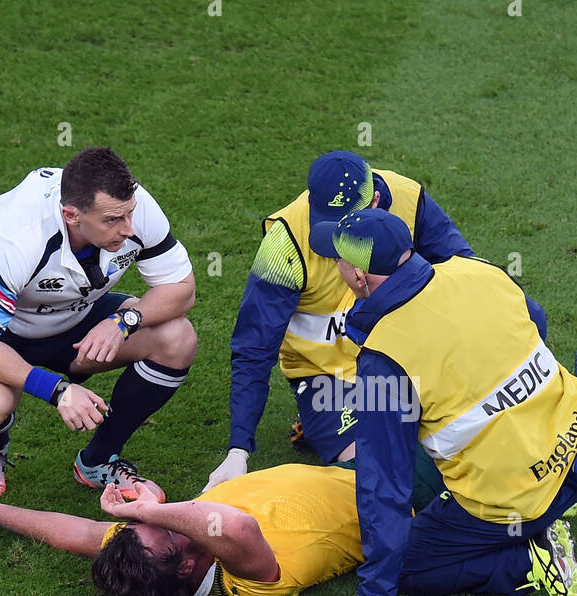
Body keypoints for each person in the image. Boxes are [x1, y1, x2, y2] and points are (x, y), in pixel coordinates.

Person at [308, 208, 577, 596]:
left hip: (519, 499)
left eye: (336, 257)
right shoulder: (475, 270)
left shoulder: (383, 358)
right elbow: (536, 321)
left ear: (357, 275)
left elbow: (383, 482)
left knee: (409, 563)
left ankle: (529, 559)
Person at [205, 150, 513, 490]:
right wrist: (239, 450)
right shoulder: (284, 244)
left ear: (376, 201)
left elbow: (465, 271)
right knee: (375, 471)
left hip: (411, 356)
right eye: (328, 223)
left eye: (347, 225)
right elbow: (254, 347)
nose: (337, 239)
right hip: (331, 382)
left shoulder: (409, 200)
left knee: (475, 424)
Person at [0, 146, 197, 501]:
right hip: (0, 334)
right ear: (71, 215)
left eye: (129, 214)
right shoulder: (13, 236)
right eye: (112, 221)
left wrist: (124, 321)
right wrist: (58, 390)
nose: (127, 228)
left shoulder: (132, 208)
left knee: (177, 337)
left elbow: (182, 289)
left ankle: (98, 460)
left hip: (78, 317)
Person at [0, 453, 451, 596]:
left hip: (357, 463)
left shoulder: (151, 549)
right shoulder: (247, 582)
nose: (137, 523)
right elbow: (237, 526)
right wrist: (156, 509)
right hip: (411, 495)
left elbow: (82, 532)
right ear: (185, 567)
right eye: (158, 531)